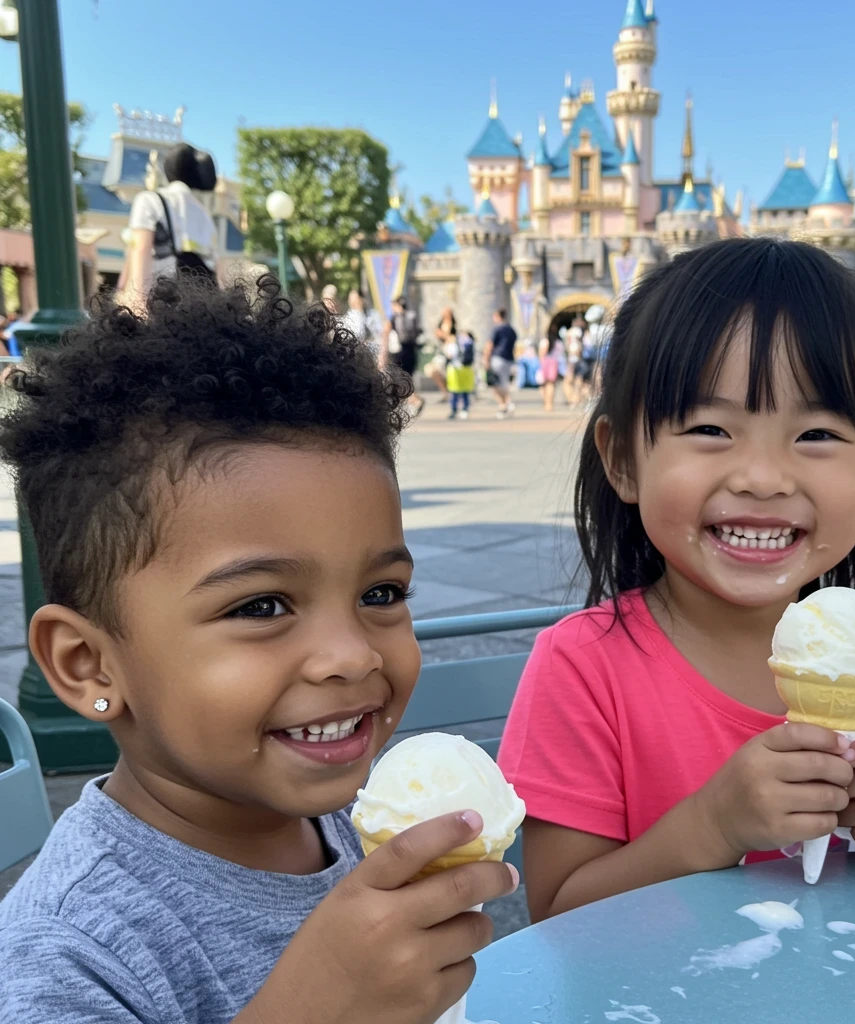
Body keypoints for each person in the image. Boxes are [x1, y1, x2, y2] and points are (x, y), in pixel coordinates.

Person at [0, 276, 518, 1022]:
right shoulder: (69, 953)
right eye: (261, 606)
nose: (350, 656)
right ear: (88, 664)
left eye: (381, 594)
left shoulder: (353, 823)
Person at [498, 238, 855, 922]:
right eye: (711, 427)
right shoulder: (582, 668)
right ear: (622, 458)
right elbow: (558, 922)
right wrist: (712, 826)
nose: (763, 478)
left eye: (819, 435)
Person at [125, 143, 219, 303]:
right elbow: (216, 263)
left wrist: (137, 304)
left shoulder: (148, 200)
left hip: (165, 297)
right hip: (202, 300)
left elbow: (142, 249)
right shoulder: (204, 213)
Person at [389, 296, 425, 417]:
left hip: (399, 351)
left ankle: (414, 400)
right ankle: (411, 402)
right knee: (408, 378)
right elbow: (419, 332)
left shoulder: (395, 318)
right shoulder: (412, 315)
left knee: (400, 379)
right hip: (412, 351)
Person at [484, 308, 517, 418]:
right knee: (504, 383)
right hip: (508, 359)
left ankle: (504, 405)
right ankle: (508, 404)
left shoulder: (497, 329)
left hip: (498, 357)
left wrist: (486, 359)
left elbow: (490, 344)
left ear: (498, 316)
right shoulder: (511, 329)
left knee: (494, 383)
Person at [445, 330, 475, 420]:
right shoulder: (470, 343)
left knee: (455, 392)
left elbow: (449, 355)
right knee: (465, 391)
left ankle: (455, 410)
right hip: (466, 370)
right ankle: (464, 409)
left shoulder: (453, 345)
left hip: (455, 370)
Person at [430, 308, 457, 401]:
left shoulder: (453, 326)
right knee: (434, 371)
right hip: (442, 352)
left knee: (448, 373)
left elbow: (452, 338)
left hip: (450, 352)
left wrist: (444, 335)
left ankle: (450, 393)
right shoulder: (441, 324)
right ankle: (445, 392)